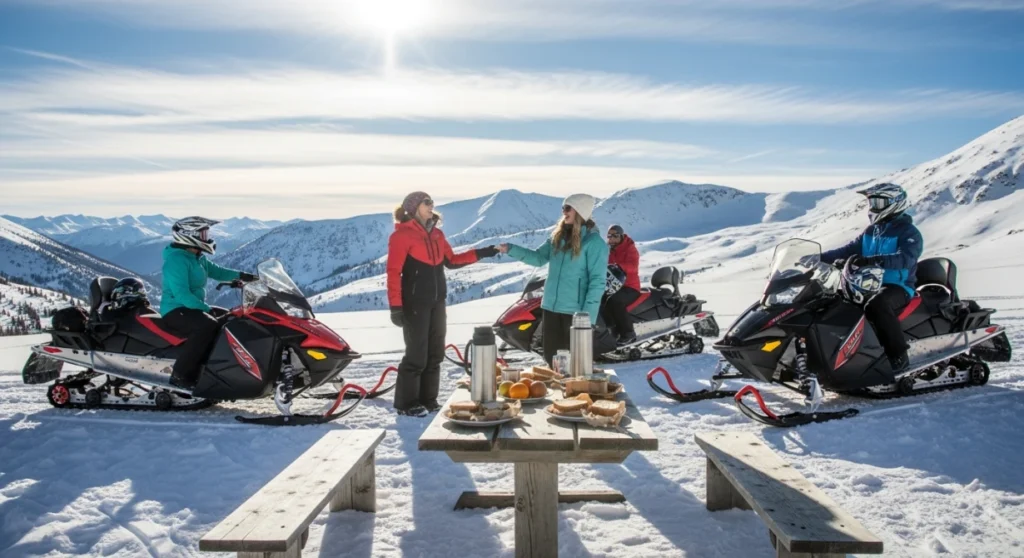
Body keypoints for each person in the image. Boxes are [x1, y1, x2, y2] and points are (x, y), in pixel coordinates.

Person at [387, 192, 499, 417]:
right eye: (426, 202)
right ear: (414, 208)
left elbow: (452, 260)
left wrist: (483, 252)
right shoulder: (401, 236)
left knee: (436, 353)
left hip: (437, 302)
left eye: (432, 202)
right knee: (416, 354)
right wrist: (396, 307)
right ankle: (406, 404)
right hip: (415, 303)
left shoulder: (437, 234)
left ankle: (428, 400)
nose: (432, 206)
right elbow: (393, 272)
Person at [819, 183, 923, 372]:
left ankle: (898, 356)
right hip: (865, 283)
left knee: (877, 305)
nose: (874, 207)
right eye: (872, 202)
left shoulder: (908, 232)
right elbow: (848, 249)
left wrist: (874, 261)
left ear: (895, 203)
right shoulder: (872, 231)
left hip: (898, 286)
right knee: (835, 302)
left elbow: (906, 258)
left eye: (879, 202)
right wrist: (819, 257)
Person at [498, 194, 609, 366]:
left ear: (580, 211)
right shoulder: (558, 237)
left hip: (574, 312)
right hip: (550, 307)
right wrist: (510, 249)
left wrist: (587, 317)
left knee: (574, 362)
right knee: (551, 357)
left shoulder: (594, 243)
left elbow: (597, 281)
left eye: (568, 208)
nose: (563, 212)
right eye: (563, 208)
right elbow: (538, 258)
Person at [160, 217, 256, 389]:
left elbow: (217, 272)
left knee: (230, 318)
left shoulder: (197, 257)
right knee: (206, 326)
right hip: (175, 310)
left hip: (192, 307)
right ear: (189, 235)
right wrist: (205, 309)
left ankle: (216, 368)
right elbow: (182, 294)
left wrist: (243, 276)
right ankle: (180, 375)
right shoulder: (176, 260)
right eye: (203, 234)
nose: (207, 238)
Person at [603, 224, 641, 345]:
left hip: (630, 286)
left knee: (615, 300)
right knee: (601, 300)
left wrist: (619, 267)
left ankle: (628, 334)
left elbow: (633, 266)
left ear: (621, 236)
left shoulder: (629, 248)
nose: (612, 239)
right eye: (609, 236)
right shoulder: (608, 250)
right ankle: (610, 332)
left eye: (615, 236)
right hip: (613, 285)